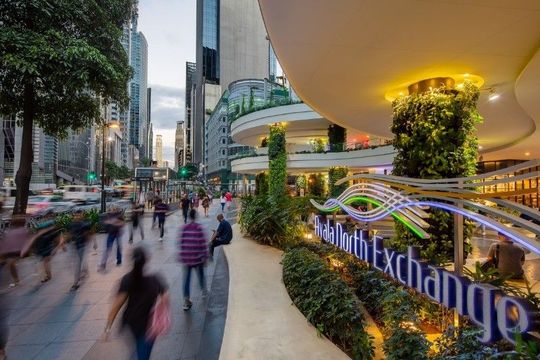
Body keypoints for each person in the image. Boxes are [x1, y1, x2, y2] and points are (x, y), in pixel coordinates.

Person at [103, 247, 169, 360]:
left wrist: (107, 329)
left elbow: (116, 306)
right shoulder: (155, 279)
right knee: (142, 354)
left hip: (131, 323)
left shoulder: (127, 279)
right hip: (148, 326)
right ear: (146, 260)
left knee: (137, 349)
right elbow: (166, 298)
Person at [178, 209, 208, 310]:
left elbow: (181, 243)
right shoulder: (199, 228)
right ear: (195, 216)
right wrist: (205, 257)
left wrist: (182, 256)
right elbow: (203, 244)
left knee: (186, 279)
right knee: (200, 274)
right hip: (197, 258)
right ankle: (203, 290)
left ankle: (186, 300)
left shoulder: (184, 227)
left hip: (187, 258)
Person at [63, 210, 92, 290]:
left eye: (79, 215)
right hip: (73, 245)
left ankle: (75, 283)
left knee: (78, 263)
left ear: (82, 215)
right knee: (77, 261)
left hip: (81, 245)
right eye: (76, 215)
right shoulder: (71, 224)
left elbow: (89, 234)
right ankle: (85, 270)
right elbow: (68, 234)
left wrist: (91, 243)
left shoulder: (85, 224)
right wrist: (63, 243)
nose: (77, 217)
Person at [34, 211, 61, 283]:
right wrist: (57, 246)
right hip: (46, 245)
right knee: (46, 261)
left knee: (43, 261)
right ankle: (48, 275)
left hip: (43, 244)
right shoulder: (52, 224)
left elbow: (36, 235)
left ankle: (46, 276)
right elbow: (56, 236)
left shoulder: (41, 225)